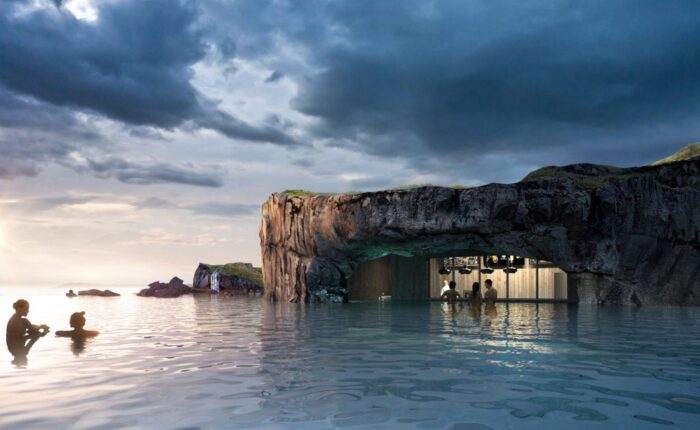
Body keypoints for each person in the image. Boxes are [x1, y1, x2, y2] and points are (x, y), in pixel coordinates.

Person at [6, 299, 49, 365]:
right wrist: (41, 330)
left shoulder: (13, 318)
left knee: (36, 333)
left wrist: (40, 327)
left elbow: (30, 326)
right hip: (18, 347)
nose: (28, 311)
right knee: (37, 334)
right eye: (26, 308)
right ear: (20, 309)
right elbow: (32, 329)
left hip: (12, 348)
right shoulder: (23, 321)